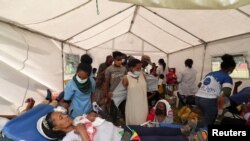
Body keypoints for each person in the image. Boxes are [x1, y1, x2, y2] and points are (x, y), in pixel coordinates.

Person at [37, 111, 197, 141]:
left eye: (63, 114)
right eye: (60, 118)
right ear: (56, 128)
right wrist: (83, 133)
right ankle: (189, 139)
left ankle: (182, 131)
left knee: (152, 130)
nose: (65, 117)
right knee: (153, 139)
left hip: (122, 130)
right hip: (120, 140)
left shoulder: (77, 119)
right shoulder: (70, 139)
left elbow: (98, 122)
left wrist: (94, 116)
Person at [195, 54, 236, 128]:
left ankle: (196, 131)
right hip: (208, 101)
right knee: (208, 123)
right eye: (233, 69)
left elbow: (199, 85)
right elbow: (226, 92)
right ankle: (201, 136)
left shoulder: (211, 73)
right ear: (231, 68)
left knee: (203, 118)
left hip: (198, 98)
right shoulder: (227, 77)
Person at [103, 51, 127, 125]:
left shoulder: (124, 69)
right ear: (114, 59)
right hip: (112, 94)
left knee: (123, 111)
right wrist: (107, 94)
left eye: (121, 59)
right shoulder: (109, 69)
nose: (120, 61)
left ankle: (125, 126)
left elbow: (126, 80)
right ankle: (113, 126)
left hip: (122, 94)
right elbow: (106, 83)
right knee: (113, 112)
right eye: (118, 59)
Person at [122, 59, 148, 125]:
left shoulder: (143, 75)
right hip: (132, 106)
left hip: (143, 104)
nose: (139, 70)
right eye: (137, 68)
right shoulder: (126, 78)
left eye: (140, 68)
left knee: (143, 122)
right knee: (133, 123)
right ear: (131, 68)